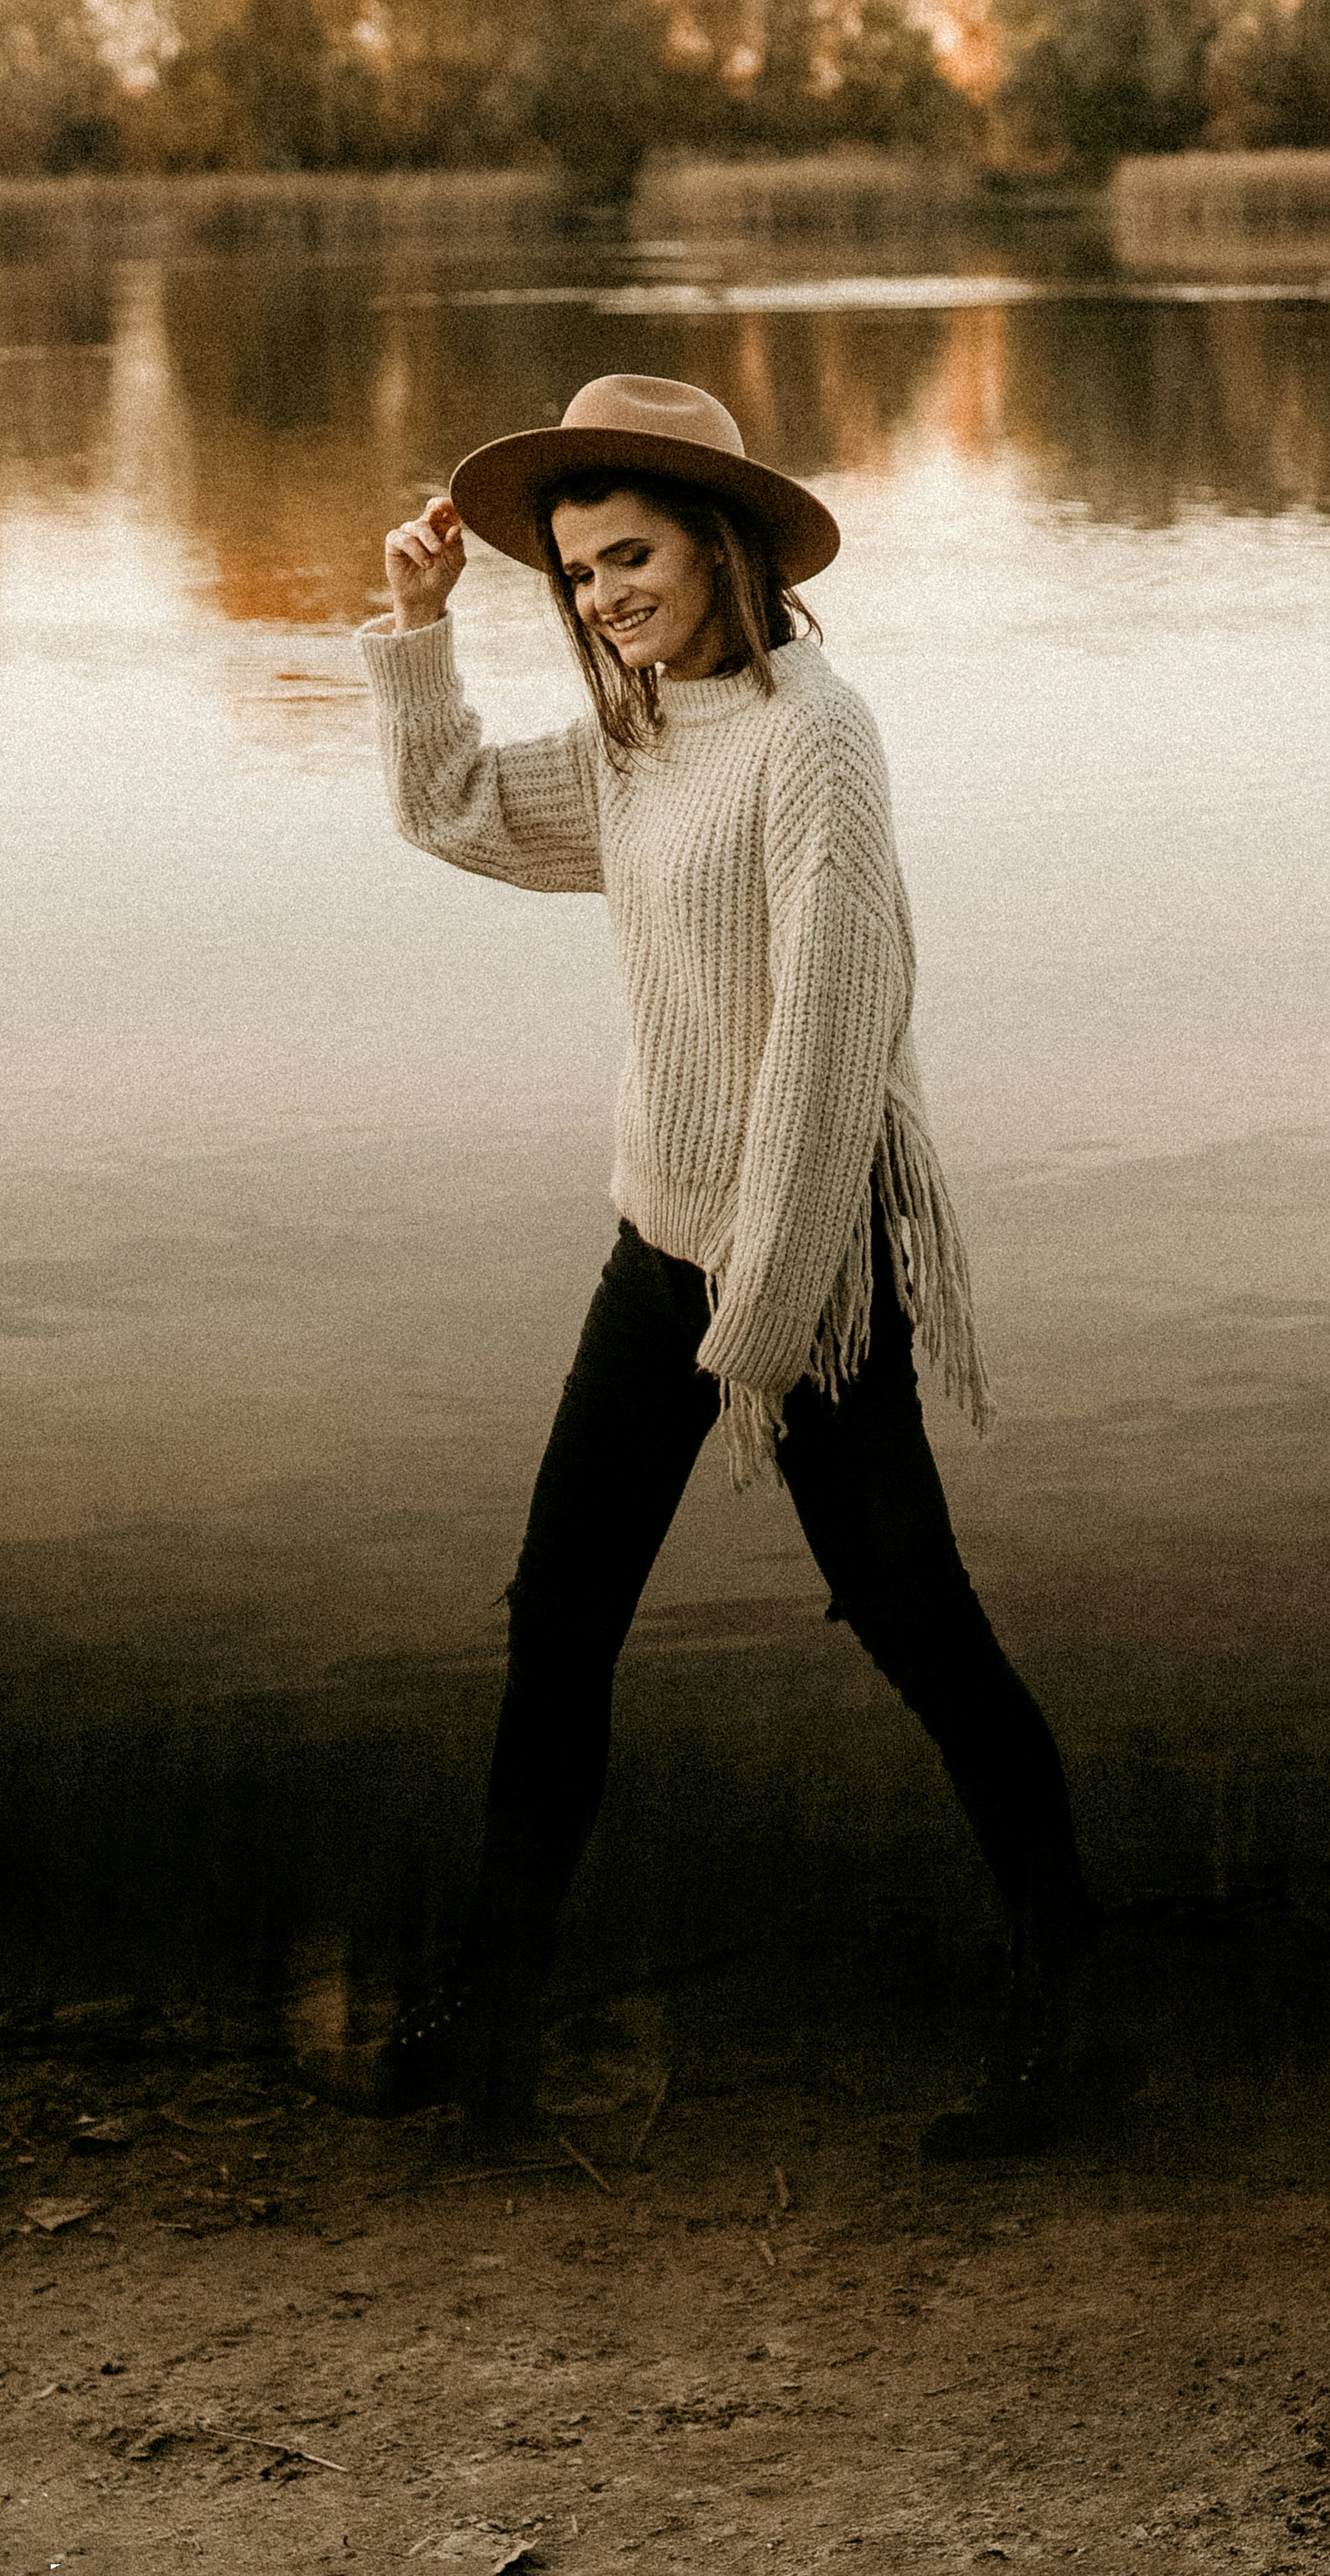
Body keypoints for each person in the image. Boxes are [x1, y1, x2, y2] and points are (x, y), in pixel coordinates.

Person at [345, 370, 1108, 2157]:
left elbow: (829, 1041)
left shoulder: (809, 730)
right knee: (559, 1625)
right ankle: (491, 2022)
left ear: (720, 541)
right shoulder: (643, 733)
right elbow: (452, 806)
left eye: (627, 556)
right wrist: (412, 629)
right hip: (660, 1239)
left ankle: (1070, 2018)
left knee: (921, 1633)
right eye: (574, 572)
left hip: (809, 1260)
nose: (602, 595)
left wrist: (759, 1328)